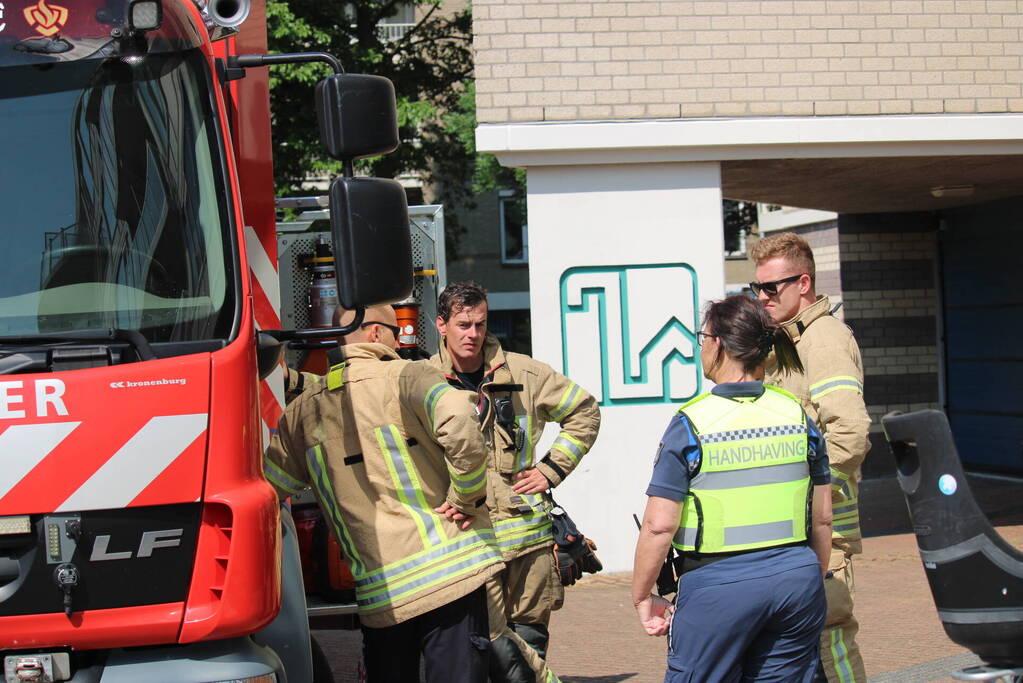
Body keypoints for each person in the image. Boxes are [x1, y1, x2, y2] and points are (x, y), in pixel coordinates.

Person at [263, 303, 503, 683]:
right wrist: (466, 498)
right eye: (395, 333)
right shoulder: (408, 376)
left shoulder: (302, 412)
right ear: (375, 333)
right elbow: (460, 418)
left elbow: (267, 491)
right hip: (450, 577)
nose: (398, 343)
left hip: (382, 593)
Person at [633, 294, 832, 682]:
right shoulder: (796, 415)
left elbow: (658, 527)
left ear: (719, 344)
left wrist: (641, 595)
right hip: (796, 579)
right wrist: (811, 578)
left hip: (717, 586)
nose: (701, 348)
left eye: (702, 338)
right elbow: (822, 518)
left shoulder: (692, 423)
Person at [429, 281, 601, 683]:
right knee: (479, 639)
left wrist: (550, 470)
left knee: (529, 630)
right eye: (463, 325)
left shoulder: (526, 373)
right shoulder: (423, 380)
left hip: (527, 537)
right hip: (468, 536)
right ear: (441, 325)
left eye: (481, 324)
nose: (473, 334)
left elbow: (585, 413)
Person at [751, 232, 871, 683]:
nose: (762, 298)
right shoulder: (789, 341)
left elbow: (851, 432)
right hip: (799, 525)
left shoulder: (824, 341)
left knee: (830, 638)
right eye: (756, 288)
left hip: (823, 528)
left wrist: (813, 499)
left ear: (804, 283)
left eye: (771, 288)